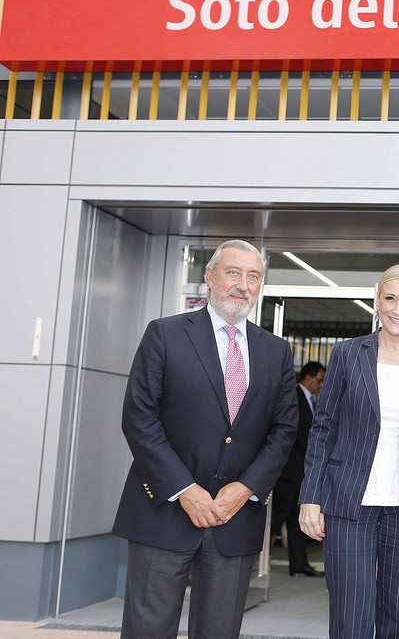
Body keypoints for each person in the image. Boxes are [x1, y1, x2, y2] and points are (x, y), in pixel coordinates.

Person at [113, 239, 299, 639]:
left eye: (253, 277)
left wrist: (245, 488)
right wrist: (184, 490)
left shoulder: (276, 351)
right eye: (233, 273)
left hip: (235, 519)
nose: (243, 285)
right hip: (163, 512)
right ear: (209, 276)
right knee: (148, 629)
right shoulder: (165, 334)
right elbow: (139, 418)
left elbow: (284, 431)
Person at [299, 264, 399, 639]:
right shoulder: (348, 355)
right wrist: (310, 497)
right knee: (351, 615)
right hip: (349, 503)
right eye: (390, 298)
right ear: (377, 301)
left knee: (398, 618)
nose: (398, 309)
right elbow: (323, 428)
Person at [271, 360, 326, 577]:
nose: (320, 385)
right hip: (288, 473)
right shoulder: (295, 397)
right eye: (319, 380)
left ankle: (299, 564)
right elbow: (298, 433)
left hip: (300, 474)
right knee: (275, 520)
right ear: (307, 378)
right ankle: (247, 560)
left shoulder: (311, 400)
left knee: (296, 522)